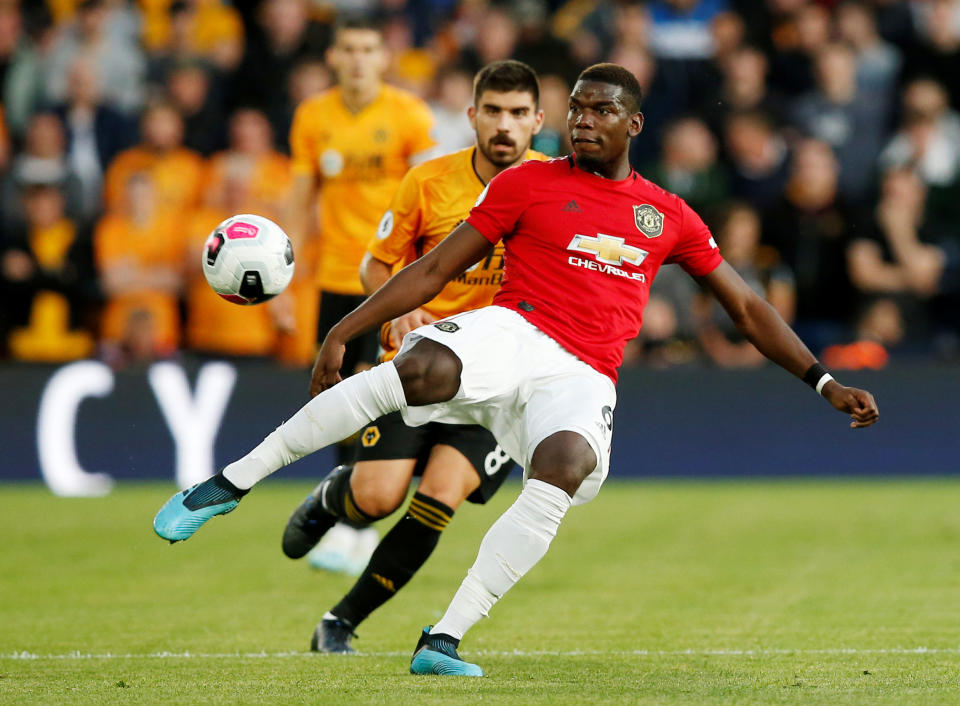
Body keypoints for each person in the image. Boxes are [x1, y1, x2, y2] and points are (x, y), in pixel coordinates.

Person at [155, 63, 879, 677]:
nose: (586, 120)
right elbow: (436, 267)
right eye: (578, 109)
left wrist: (823, 380)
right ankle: (225, 485)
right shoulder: (525, 186)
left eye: (603, 110)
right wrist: (345, 329)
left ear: (635, 125)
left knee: (564, 463)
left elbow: (747, 310)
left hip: (584, 374)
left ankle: (443, 638)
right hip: (516, 328)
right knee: (426, 367)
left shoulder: (668, 216)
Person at [279, 60, 547, 653]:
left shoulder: (555, 187)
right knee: (376, 497)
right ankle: (333, 497)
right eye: (494, 112)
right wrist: (396, 305)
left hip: (499, 384)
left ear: (537, 121)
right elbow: (375, 263)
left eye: (518, 113)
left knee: (441, 495)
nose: (505, 125)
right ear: (472, 116)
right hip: (419, 365)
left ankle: (339, 623)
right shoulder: (427, 182)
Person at [283, 15, 435, 495]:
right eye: (348, 49)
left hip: (389, 278)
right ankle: (346, 500)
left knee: (369, 390)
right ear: (332, 57)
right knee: (333, 400)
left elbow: (427, 201)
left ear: (384, 58)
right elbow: (299, 200)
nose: (357, 60)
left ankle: (360, 509)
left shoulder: (409, 114)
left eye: (368, 49)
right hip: (332, 276)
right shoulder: (313, 116)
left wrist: (422, 279)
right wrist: (283, 281)